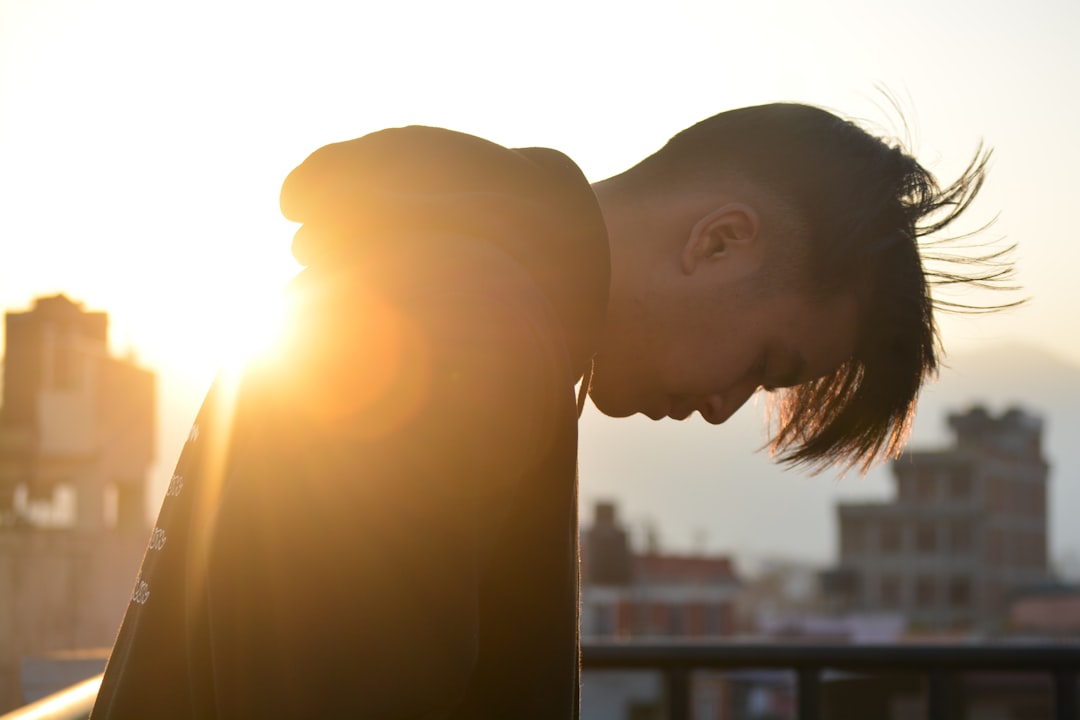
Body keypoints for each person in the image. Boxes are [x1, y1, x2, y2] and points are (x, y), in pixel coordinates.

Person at [90, 103, 1012, 718]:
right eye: (764, 365)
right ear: (720, 241)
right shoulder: (464, 325)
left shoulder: (453, 293)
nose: (724, 407)